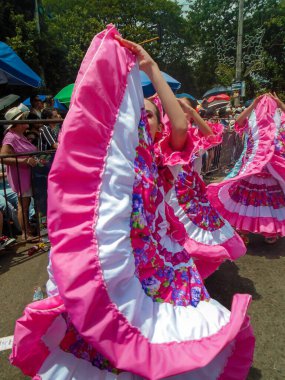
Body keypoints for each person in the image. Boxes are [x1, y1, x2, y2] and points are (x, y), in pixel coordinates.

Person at [10, 27, 254, 379]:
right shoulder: (117, 164)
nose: (146, 118)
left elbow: (182, 124)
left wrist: (150, 67)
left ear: (158, 127)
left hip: (156, 264)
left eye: (152, 115)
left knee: (160, 334)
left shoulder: (161, 160)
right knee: (99, 337)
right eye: (142, 114)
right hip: (116, 261)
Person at [208, 93, 285, 244]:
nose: (265, 108)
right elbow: (238, 121)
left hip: (270, 173)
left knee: (264, 203)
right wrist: (253, 105)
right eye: (263, 106)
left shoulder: (278, 126)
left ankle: (268, 231)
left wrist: (279, 103)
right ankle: (244, 230)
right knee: (247, 202)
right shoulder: (253, 124)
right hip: (252, 171)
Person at [1, 107, 37, 241]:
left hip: (28, 175)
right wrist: (25, 160)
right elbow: (3, 157)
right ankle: (25, 233)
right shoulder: (10, 136)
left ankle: (29, 229)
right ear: (16, 123)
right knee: (24, 205)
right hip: (21, 177)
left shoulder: (20, 135)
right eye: (23, 118)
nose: (26, 120)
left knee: (27, 204)